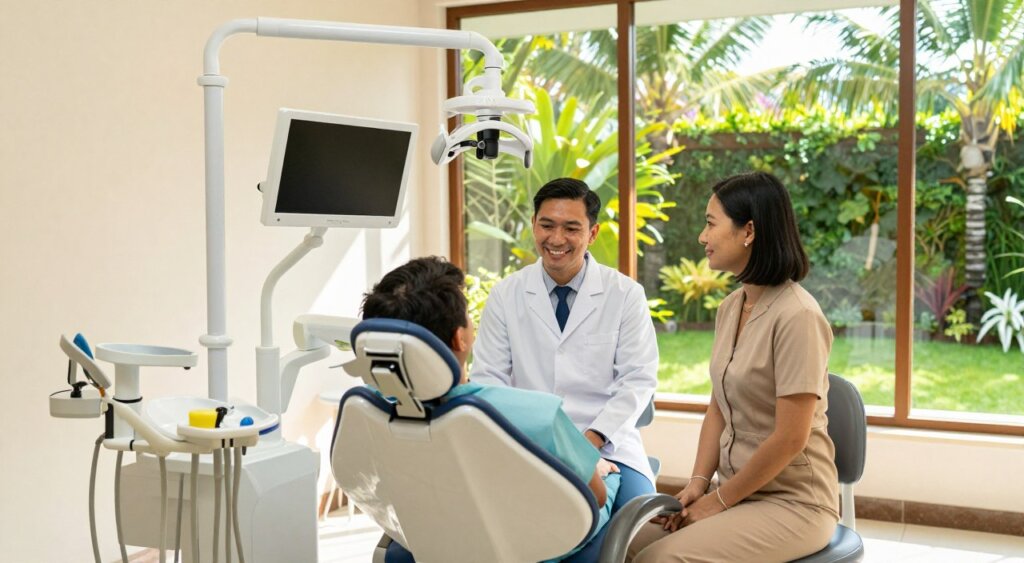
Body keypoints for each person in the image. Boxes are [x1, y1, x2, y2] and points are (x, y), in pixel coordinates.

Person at [626, 172, 839, 562]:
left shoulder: (799, 316)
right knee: (623, 544)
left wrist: (719, 501)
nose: (701, 237)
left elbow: (792, 437)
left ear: (749, 231)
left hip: (795, 504)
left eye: (710, 223)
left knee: (660, 560)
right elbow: (718, 408)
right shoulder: (731, 307)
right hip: (737, 491)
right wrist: (698, 484)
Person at [360, 256, 621, 562]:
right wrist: (592, 464)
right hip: (536, 548)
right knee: (611, 479)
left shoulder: (371, 413)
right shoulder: (534, 415)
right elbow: (595, 498)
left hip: (437, 536)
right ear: (461, 338)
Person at [471, 178, 660, 561]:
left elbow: (637, 381)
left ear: (592, 232)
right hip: (527, 443)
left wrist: (583, 446)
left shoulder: (624, 295)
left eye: (571, 228)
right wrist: (534, 445)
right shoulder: (507, 294)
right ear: (533, 226)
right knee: (502, 533)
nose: (556, 238)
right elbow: (487, 380)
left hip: (608, 442)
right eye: (547, 225)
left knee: (623, 538)